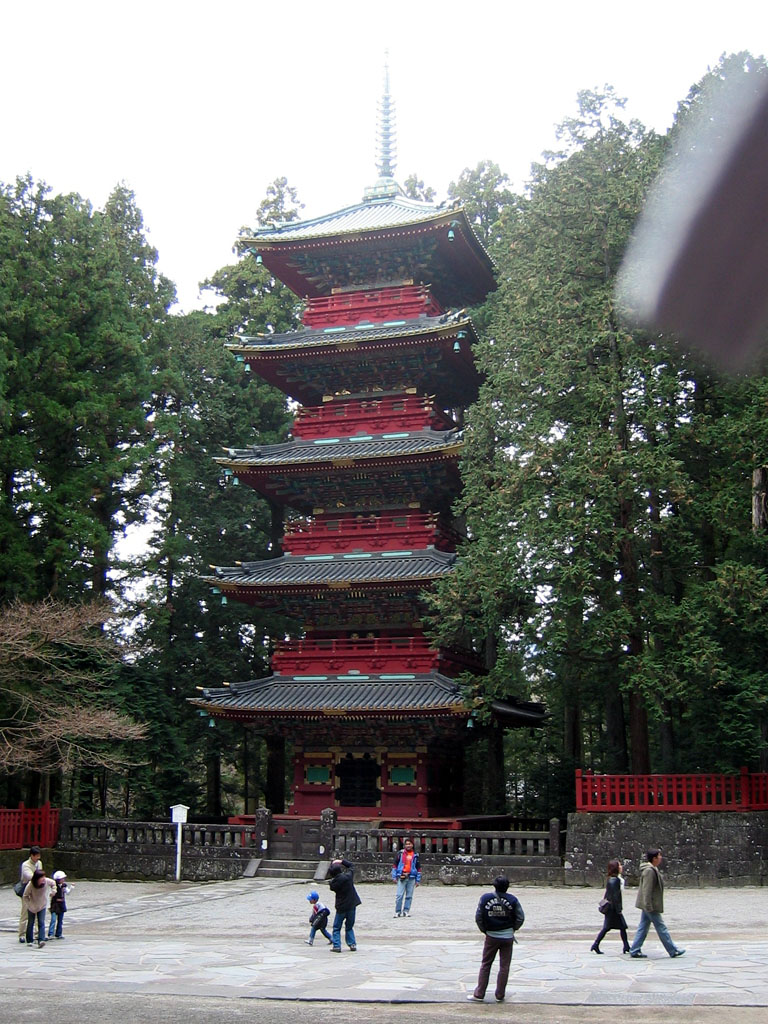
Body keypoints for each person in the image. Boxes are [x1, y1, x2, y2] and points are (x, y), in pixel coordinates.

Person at [469, 876, 525, 1003]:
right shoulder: (512, 900)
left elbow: (479, 916)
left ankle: (479, 993)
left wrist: (485, 930)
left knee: (486, 964)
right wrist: (512, 929)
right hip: (507, 936)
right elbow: (520, 917)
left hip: (491, 936)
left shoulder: (485, 898)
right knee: (504, 966)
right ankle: (500, 994)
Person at [629, 848, 685, 959]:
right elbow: (647, 889)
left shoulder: (652, 869)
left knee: (643, 926)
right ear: (654, 858)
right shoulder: (649, 871)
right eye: (659, 856)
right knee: (661, 927)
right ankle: (672, 950)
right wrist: (648, 905)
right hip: (650, 905)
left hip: (648, 905)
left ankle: (635, 949)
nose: (660, 858)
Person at [591, 859, 630, 954]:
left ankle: (626, 946)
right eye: (619, 865)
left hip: (612, 908)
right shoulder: (615, 880)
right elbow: (615, 897)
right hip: (613, 909)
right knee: (610, 927)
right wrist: (619, 909)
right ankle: (596, 944)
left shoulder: (612, 879)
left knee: (620, 927)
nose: (621, 867)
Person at [327, 857, 361, 952]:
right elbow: (351, 866)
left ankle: (337, 946)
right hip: (351, 905)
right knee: (349, 926)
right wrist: (341, 861)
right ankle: (352, 944)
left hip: (341, 907)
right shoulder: (348, 877)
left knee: (337, 927)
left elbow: (331, 878)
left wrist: (332, 865)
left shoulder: (333, 883)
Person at [22, 869, 55, 948]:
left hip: (42, 905)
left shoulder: (46, 881)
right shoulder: (31, 885)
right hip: (32, 906)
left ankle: (41, 940)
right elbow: (25, 895)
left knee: (41, 922)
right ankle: (29, 940)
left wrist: (54, 891)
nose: (43, 879)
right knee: (31, 923)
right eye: (41, 878)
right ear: (37, 878)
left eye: (44, 877)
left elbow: (53, 883)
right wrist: (28, 904)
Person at [17, 846, 43, 944]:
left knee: (37, 911)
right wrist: (39, 878)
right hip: (27, 890)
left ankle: (37, 933)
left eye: (39, 856)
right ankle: (22, 934)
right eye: (36, 856)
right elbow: (29, 876)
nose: (38, 858)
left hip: (36, 890)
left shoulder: (39, 863)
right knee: (25, 913)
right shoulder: (26, 865)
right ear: (31, 855)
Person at [392, 838, 421, 917]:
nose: (408, 845)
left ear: (412, 845)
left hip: (411, 877)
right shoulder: (400, 854)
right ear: (404, 845)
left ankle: (406, 910)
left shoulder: (415, 855)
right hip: (402, 876)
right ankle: (398, 911)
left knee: (409, 896)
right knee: (399, 895)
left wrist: (418, 880)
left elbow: (418, 868)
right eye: (407, 844)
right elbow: (395, 865)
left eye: (410, 844)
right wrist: (394, 876)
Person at [48, 871, 73, 940]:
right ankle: (50, 933)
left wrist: (71, 888)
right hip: (55, 904)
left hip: (61, 904)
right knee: (53, 919)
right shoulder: (53, 885)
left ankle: (58, 933)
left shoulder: (64, 886)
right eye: (62, 878)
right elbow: (50, 894)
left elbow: (67, 892)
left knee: (60, 920)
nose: (63, 880)